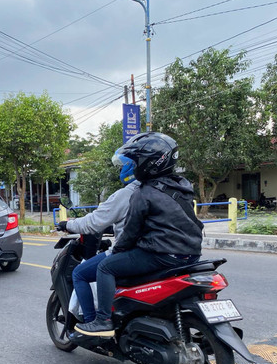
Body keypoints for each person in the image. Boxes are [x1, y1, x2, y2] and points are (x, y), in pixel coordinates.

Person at [75, 132, 204, 337]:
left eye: (137, 162)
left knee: (106, 267)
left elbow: (130, 233)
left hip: (160, 255)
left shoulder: (142, 193)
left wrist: (117, 251)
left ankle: (102, 320)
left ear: (148, 163)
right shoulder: (182, 187)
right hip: (191, 253)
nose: (134, 167)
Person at [56, 150, 140, 323]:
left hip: (134, 253)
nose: (120, 170)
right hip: (168, 253)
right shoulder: (161, 191)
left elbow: (93, 222)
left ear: (131, 167)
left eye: (122, 166)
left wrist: (67, 224)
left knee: (80, 273)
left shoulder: (127, 194)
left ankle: (94, 322)